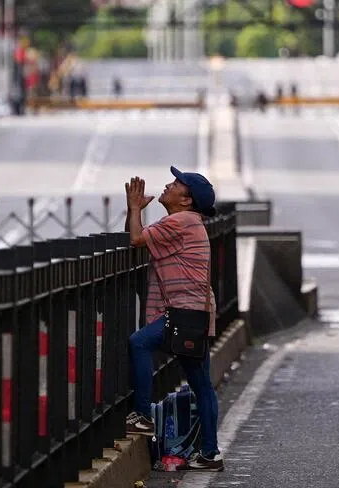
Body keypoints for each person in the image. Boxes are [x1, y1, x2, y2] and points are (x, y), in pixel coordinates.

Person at [123, 168, 224, 472]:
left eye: (177, 183)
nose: (169, 184)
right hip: (195, 312)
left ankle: (141, 416)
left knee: (139, 342)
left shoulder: (180, 222)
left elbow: (137, 238)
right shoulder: (186, 221)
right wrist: (136, 212)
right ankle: (210, 453)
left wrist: (136, 208)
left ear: (187, 199)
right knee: (202, 385)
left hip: (185, 313)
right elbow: (139, 236)